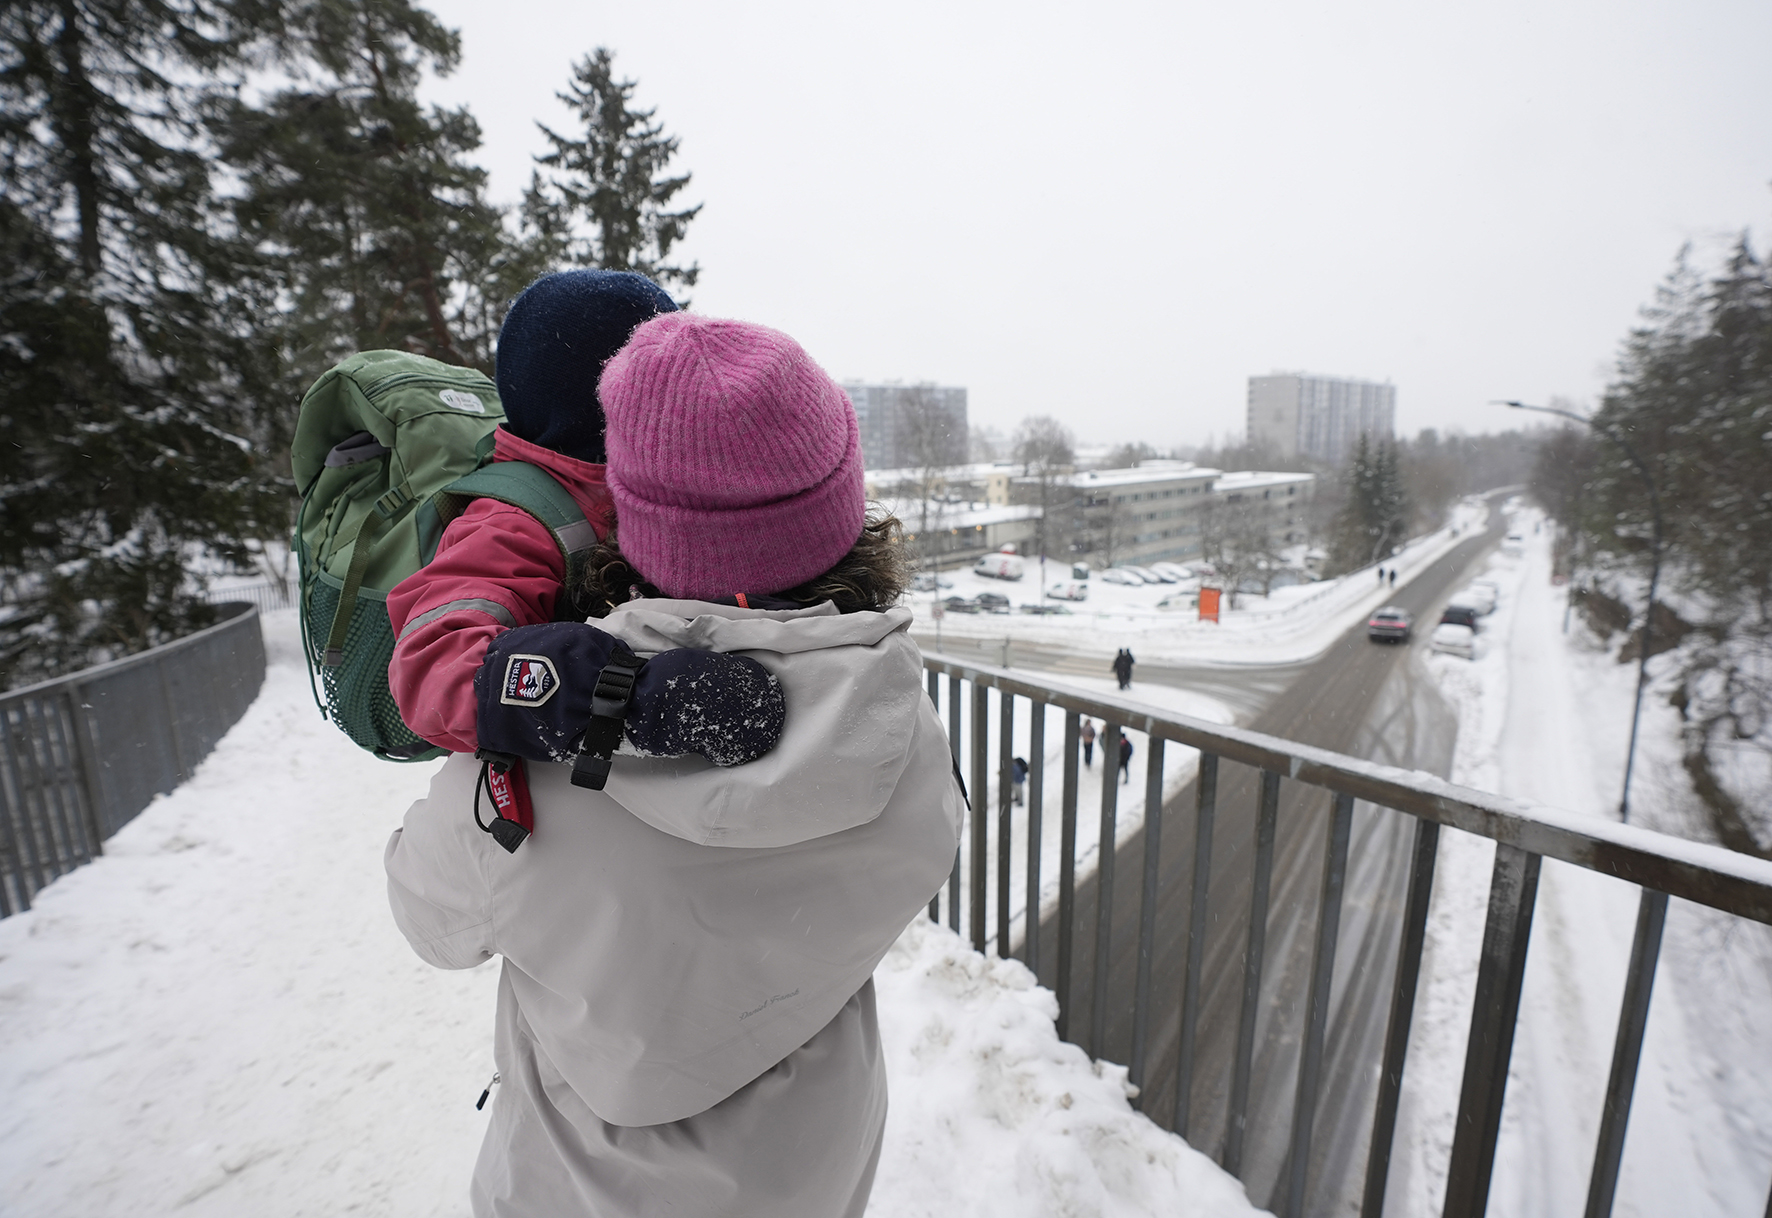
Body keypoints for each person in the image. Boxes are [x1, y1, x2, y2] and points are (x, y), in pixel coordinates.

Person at [385, 313, 964, 1218]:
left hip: (587, 1187)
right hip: (814, 1164)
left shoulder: (532, 765)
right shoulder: (901, 730)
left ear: (634, 520)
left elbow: (429, 921)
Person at [386, 270, 777, 771]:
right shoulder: (514, 520)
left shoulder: (652, 489)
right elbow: (435, 667)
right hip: (545, 805)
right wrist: (635, 696)